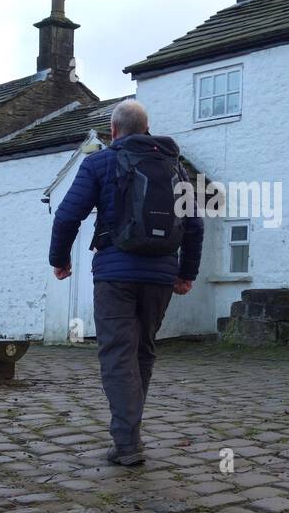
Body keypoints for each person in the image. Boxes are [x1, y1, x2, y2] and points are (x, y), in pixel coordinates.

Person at [48, 99, 203, 466]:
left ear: (113, 131)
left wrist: (60, 260)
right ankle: (129, 434)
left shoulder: (99, 162)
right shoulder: (175, 168)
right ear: (147, 128)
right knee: (143, 352)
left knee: (118, 353)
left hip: (115, 275)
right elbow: (195, 226)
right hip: (161, 277)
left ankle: (128, 441)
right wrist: (186, 274)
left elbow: (67, 215)